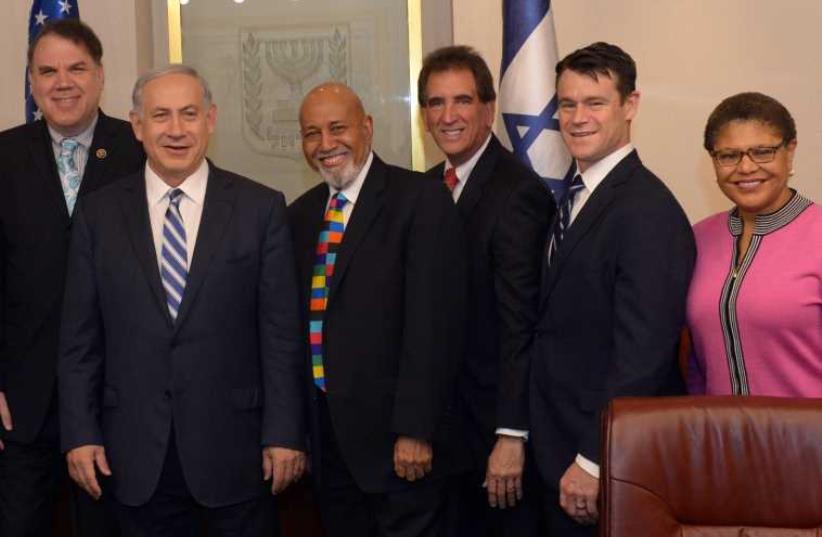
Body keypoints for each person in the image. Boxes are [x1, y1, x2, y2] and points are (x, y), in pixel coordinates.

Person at [58, 64, 306, 537]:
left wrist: (285, 433)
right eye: (161, 116)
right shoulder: (98, 215)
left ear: (210, 119)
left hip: (237, 455)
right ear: (137, 125)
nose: (176, 130)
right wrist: (80, 432)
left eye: (189, 114)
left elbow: (280, 338)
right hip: (131, 457)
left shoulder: (261, 209)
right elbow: (79, 340)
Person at [288, 82, 466, 537]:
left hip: (399, 447)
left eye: (337, 128)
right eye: (312, 133)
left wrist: (415, 429)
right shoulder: (301, 215)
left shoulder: (419, 199)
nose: (326, 145)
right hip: (328, 445)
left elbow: (433, 324)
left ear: (366, 128)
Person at [530, 42, 695, 535]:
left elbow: (643, 353)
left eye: (595, 103)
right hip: (556, 446)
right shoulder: (575, 193)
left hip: (604, 459)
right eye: (566, 104)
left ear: (631, 105)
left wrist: (594, 458)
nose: (578, 118)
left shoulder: (647, 209)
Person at [0, 19, 144, 537]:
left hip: (121, 400)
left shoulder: (143, 151)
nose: (63, 82)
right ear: (32, 82)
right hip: (21, 407)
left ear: (101, 76)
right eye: (48, 71)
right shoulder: (4, 157)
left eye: (77, 68)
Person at [417, 45, 554, 537]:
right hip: (444, 438)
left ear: (489, 108)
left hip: (496, 439)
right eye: (435, 103)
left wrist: (511, 433)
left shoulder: (518, 193)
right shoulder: (427, 188)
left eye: (462, 101)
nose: (448, 116)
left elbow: (522, 324)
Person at [687, 92, 821, 397]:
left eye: (762, 152)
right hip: (720, 438)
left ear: (790, 151)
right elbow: (695, 363)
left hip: (808, 440)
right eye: (729, 155)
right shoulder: (698, 240)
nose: (746, 168)